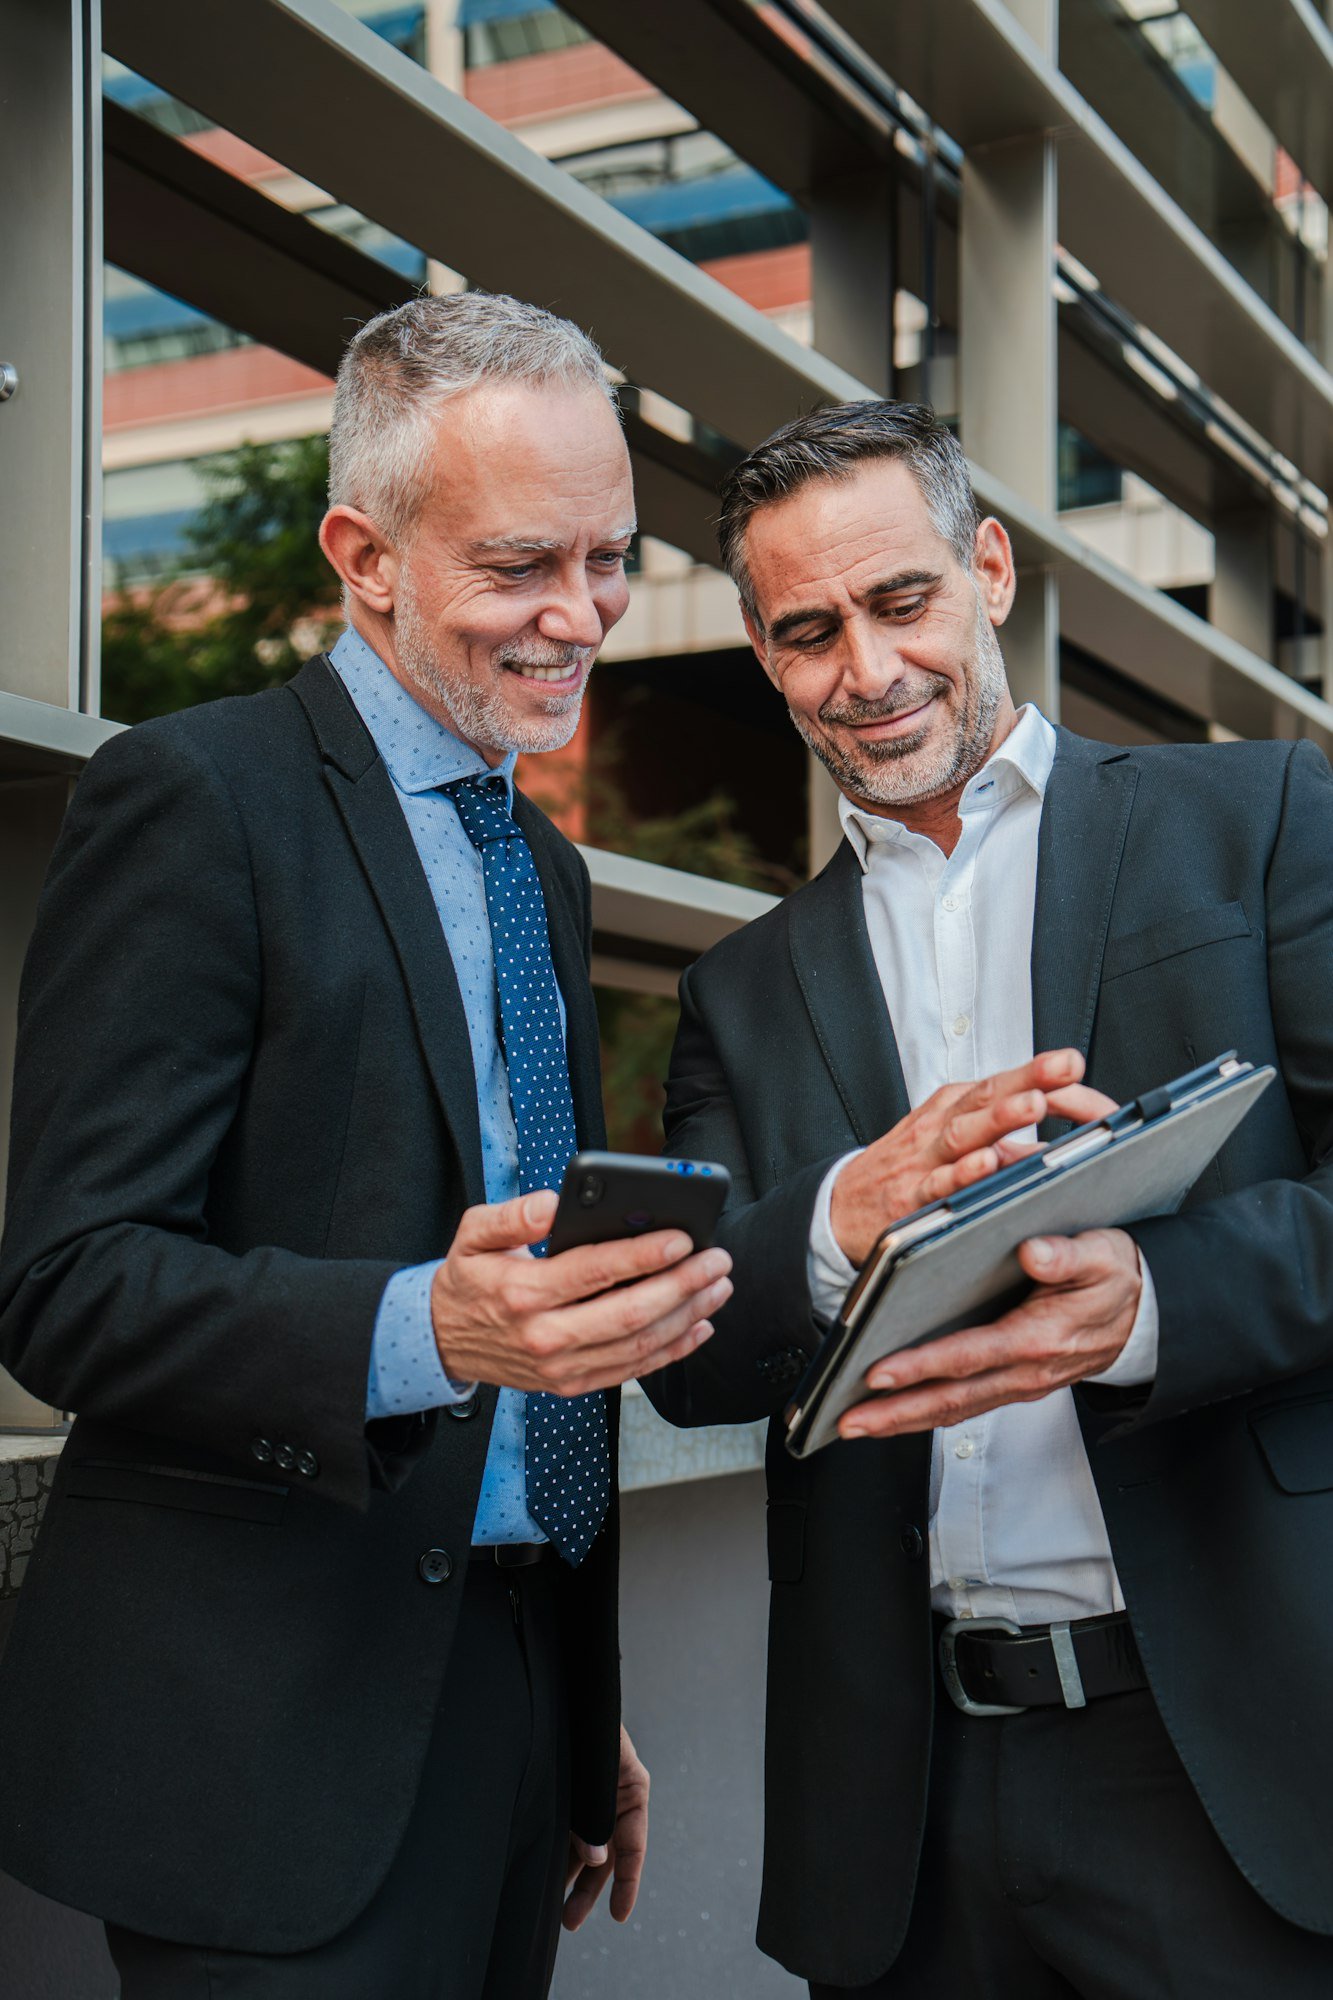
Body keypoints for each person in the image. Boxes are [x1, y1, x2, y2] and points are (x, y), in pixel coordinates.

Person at [0, 293, 739, 1999]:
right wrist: (425, 1325)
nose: (583, 619)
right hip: (260, 1743)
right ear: (365, 552)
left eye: (611, 558)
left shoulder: (538, 865)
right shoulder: (194, 800)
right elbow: (63, 1285)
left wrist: (568, 1696)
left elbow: (532, 1338)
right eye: (520, 568)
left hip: (506, 1695)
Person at [644, 398, 1333, 1997]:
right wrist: (830, 1228)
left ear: (990, 571)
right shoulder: (736, 993)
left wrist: (1154, 1305)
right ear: (761, 653)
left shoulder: (1262, 820)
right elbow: (694, 1358)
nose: (867, 675)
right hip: (900, 1808)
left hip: (1227, 1750)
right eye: (807, 633)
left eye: (900, 603)